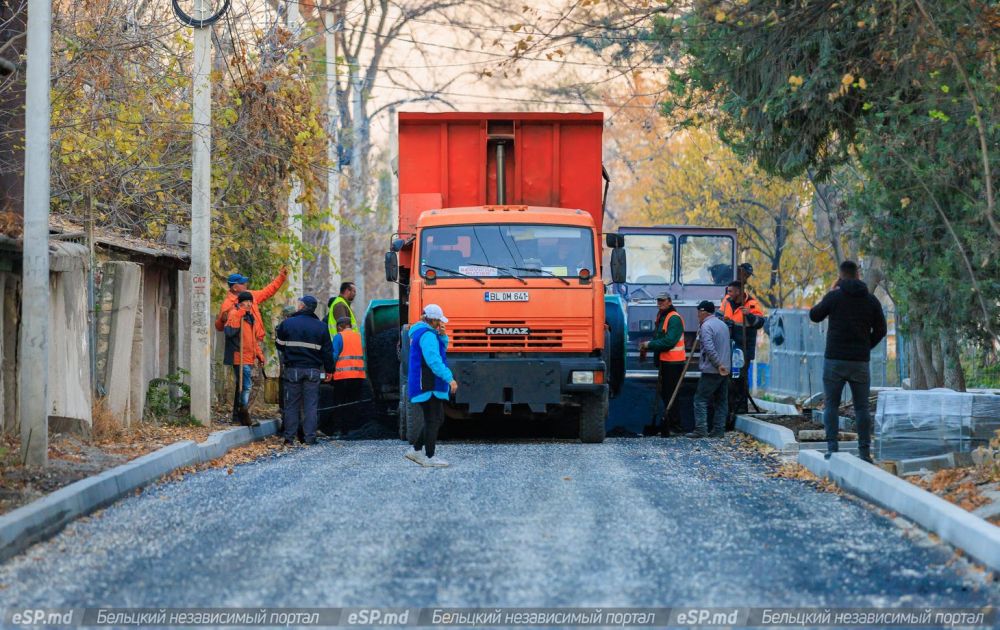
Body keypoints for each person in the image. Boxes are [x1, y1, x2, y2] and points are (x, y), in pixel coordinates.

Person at [809, 260, 887, 463]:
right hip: (859, 361)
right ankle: (864, 452)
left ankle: (832, 449)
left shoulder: (835, 296)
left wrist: (832, 290)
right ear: (858, 275)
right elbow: (882, 330)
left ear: (840, 275)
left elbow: (814, 315)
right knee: (861, 408)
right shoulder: (870, 300)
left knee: (831, 406)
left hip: (834, 360)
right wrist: (866, 346)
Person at [275, 296, 334, 445]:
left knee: (291, 405)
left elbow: (280, 345)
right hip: (313, 371)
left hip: (293, 369)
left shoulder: (287, 324)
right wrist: (329, 371)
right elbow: (327, 352)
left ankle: (289, 438)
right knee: (310, 405)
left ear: (302, 307)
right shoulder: (321, 327)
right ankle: (310, 438)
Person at [406, 304, 458, 467]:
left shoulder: (425, 333)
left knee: (435, 418)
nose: (441, 324)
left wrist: (442, 336)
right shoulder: (427, 335)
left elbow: (439, 351)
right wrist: (450, 378)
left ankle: (416, 451)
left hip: (426, 383)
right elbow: (434, 361)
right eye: (439, 321)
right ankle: (429, 457)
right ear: (433, 320)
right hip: (427, 383)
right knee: (434, 419)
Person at [639, 293, 686, 436]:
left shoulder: (673, 318)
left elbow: (669, 341)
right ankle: (669, 424)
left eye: (663, 301)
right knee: (666, 394)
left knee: (671, 394)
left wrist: (649, 345)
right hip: (666, 361)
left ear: (669, 302)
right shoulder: (662, 316)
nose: (660, 303)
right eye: (658, 300)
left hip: (674, 362)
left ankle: (675, 426)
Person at [720, 280, 765, 428]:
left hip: (744, 348)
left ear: (739, 292)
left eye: (731, 291)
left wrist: (749, 315)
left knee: (739, 378)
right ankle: (729, 410)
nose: (728, 294)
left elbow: (760, 322)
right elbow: (719, 315)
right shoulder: (726, 301)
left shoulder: (752, 304)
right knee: (729, 379)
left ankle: (740, 410)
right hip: (729, 346)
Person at [687, 300, 730, 439]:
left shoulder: (706, 326)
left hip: (712, 370)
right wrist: (724, 366)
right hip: (725, 369)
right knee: (721, 401)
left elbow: (710, 349)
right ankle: (718, 430)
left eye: (698, 312)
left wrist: (718, 365)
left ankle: (701, 430)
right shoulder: (723, 325)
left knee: (700, 399)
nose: (697, 315)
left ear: (703, 312)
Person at [223, 292, 265, 426]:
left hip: (248, 356)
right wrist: (240, 313)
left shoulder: (249, 317)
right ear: (240, 303)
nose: (249, 304)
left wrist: (259, 354)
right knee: (246, 386)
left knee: (242, 386)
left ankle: (238, 415)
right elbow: (229, 332)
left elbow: (252, 340)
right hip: (239, 356)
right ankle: (243, 414)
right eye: (246, 302)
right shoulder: (235, 314)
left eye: (250, 302)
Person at [330, 316, 367, 429]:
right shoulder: (359, 337)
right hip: (358, 376)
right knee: (354, 402)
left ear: (340, 327)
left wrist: (329, 370)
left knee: (340, 403)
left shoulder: (338, 337)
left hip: (342, 376)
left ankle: (340, 429)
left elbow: (334, 355)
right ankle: (354, 428)